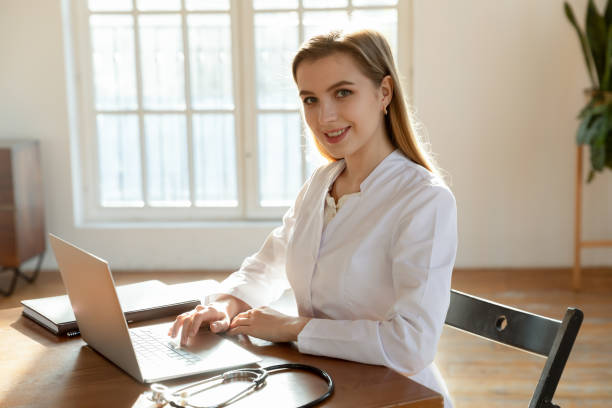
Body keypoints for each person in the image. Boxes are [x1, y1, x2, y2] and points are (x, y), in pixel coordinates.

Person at [169, 29, 457, 407]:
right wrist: (225, 304)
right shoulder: (322, 183)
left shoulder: (424, 200)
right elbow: (268, 265)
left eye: (343, 93)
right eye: (310, 99)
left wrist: (292, 328)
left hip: (396, 396)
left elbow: (411, 344)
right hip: (321, 381)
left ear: (384, 92)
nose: (325, 116)